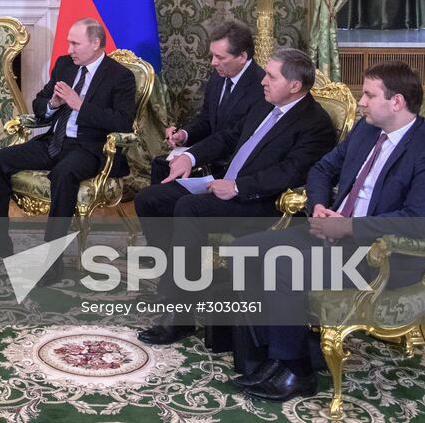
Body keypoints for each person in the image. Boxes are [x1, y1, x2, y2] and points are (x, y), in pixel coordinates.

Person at [230, 61, 425, 402]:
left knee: (281, 265)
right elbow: (322, 168)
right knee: (243, 251)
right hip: (331, 230)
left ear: (396, 102)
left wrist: (348, 226)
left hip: (380, 254)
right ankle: (273, 356)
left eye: (368, 94)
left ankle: (296, 371)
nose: (360, 102)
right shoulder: (366, 131)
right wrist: (319, 205)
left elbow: (418, 220)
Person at [133, 46, 337, 345]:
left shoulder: (315, 124)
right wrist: (189, 158)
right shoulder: (266, 104)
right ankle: (175, 286)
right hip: (228, 185)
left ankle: (182, 315)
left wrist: (238, 187)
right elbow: (228, 136)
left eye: (271, 76)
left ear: (294, 86)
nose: (263, 81)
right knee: (149, 199)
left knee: (190, 209)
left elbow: (289, 173)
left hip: (262, 203)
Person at [0, 18, 137, 282]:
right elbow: (39, 104)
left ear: (95, 44)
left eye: (75, 43)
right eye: (69, 42)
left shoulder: (120, 77)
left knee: (62, 174)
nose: (69, 48)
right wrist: (52, 103)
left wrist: (80, 105)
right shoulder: (64, 65)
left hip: (90, 148)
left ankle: (53, 259)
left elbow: (122, 122)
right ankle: (0, 238)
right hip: (55, 142)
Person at [153, 18, 266, 183]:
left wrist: (192, 156)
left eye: (220, 57)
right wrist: (184, 134)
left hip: (233, 166)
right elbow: (206, 120)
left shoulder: (261, 87)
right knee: (160, 165)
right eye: (212, 56)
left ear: (242, 56)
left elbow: (234, 137)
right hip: (211, 152)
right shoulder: (219, 77)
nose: (213, 63)